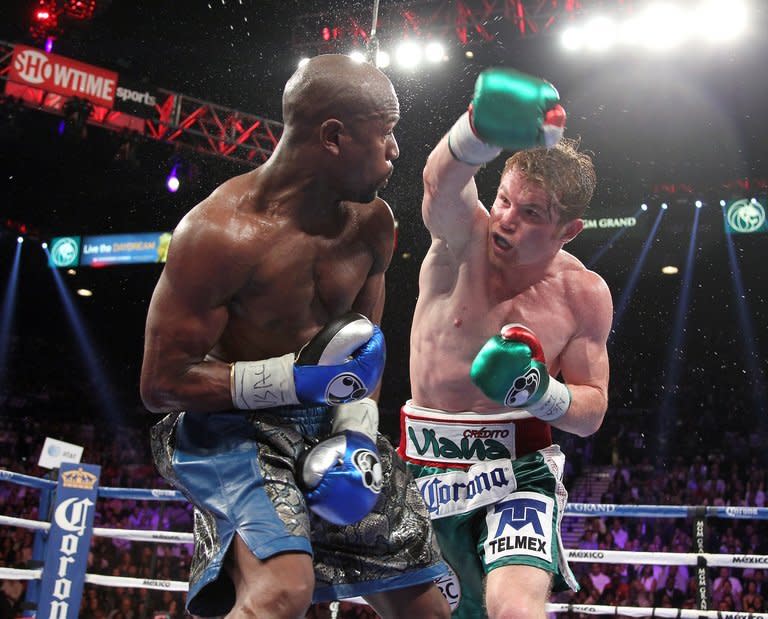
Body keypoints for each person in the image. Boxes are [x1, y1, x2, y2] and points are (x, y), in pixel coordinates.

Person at [140, 54, 449, 619]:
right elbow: (161, 383)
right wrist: (289, 380)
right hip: (233, 431)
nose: (396, 151)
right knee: (282, 591)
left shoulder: (374, 226)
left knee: (425, 609)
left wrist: (356, 429)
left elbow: (363, 352)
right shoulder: (218, 235)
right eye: (385, 134)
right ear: (334, 137)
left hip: (328, 426)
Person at [400, 67, 613, 618]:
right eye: (505, 201)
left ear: (569, 230)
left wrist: (539, 393)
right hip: (426, 462)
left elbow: (590, 410)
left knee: (514, 608)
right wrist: (477, 131)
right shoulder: (461, 237)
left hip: (518, 468)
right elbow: (438, 183)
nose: (506, 219)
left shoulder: (583, 294)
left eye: (532, 213)